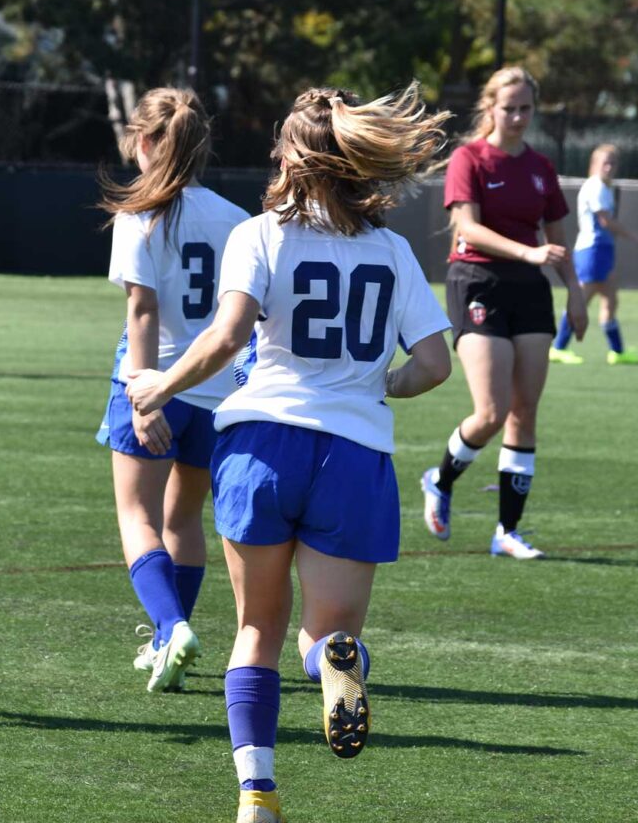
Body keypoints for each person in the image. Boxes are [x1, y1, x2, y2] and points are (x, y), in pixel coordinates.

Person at [126, 84, 452, 823]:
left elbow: (226, 338)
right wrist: (378, 384)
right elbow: (435, 365)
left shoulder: (262, 234)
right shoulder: (393, 252)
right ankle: (336, 664)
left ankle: (257, 793)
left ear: (289, 157)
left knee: (255, 630)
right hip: (354, 454)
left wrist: (157, 387)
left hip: (262, 444)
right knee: (326, 634)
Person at [94, 86, 249, 693]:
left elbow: (143, 310)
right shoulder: (237, 220)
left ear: (147, 142)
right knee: (183, 515)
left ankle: (169, 627)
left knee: (137, 515)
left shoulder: (140, 212)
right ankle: (167, 646)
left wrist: (142, 393)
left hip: (154, 379)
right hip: (214, 389)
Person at [417, 66, 586, 560]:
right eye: (508, 107)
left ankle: (507, 532)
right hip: (477, 281)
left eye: (525, 108)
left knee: (523, 412)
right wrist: (529, 253)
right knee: (489, 411)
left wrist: (574, 292)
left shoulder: (540, 167)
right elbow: (467, 227)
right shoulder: (469, 159)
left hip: (529, 291)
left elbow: (557, 240)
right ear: (489, 107)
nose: (516, 116)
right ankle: (440, 478)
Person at [550, 143, 638, 365]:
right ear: (594, 165)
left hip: (603, 250)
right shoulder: (595, 187)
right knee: (581, 299)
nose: (610, 167)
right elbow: (604, 221)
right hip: (592, 250)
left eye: (613, 163)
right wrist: (634, 237)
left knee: (611, 300)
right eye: (605, 162)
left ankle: (617, 352)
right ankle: (557, 347)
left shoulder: (604, 188)